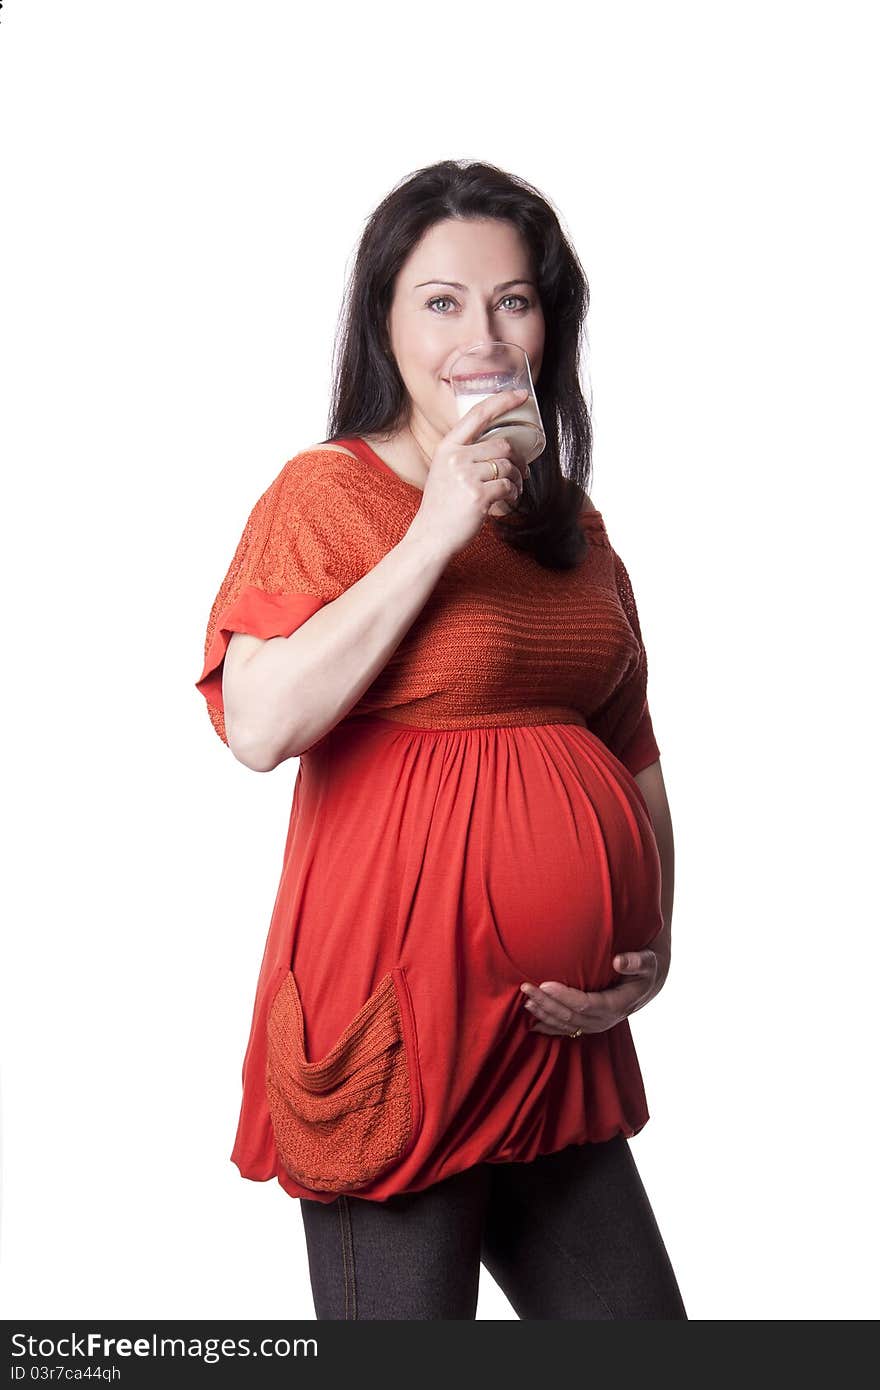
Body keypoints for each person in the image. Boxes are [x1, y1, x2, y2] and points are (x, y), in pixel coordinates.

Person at [194, 158, 687, 1321]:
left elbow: (630, 743)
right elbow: (260, 726)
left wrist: (649, 937)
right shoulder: (325, 494)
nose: (483, 330)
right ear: (384, 320)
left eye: (513, 298)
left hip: (552, 1045)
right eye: (442, 299)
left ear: (548, 323)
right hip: (399, 1037)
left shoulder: (573, 524)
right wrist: (434, 532)